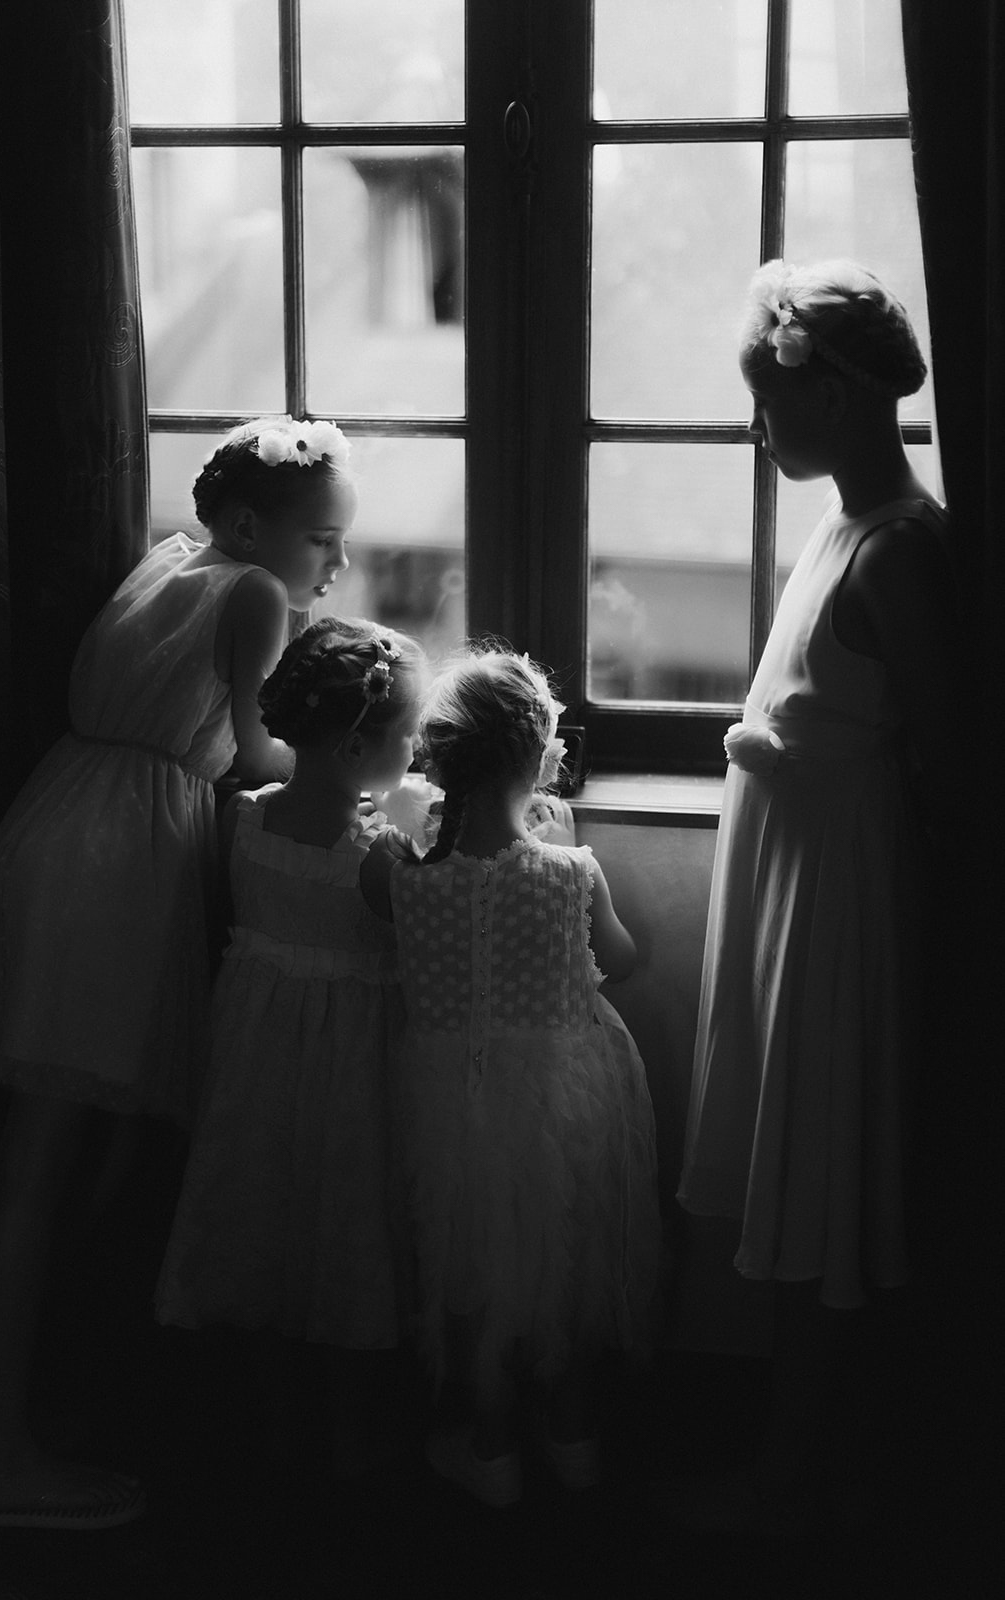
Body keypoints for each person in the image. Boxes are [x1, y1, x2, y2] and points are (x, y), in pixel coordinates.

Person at [0, 416, 356, 1528]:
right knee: (45, 1156)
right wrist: (360, 763)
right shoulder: (254, 594)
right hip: (118, 863)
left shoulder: (169, 558)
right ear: (254, 525)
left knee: (102, 1137)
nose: (335, 566)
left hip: (64, 823)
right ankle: (2, 1461)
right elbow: (263, 752)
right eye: (323, 540)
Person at [674, 260, 954, 1532]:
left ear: (831, 397)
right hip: (793, 867)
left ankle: (794, 1476)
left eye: (765, 403)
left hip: (838, 889)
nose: (755, 427)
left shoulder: (900, 549)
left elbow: (946, 749)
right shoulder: (839, 527)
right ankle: (790, 1455)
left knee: (818, 1165)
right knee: (788, 1154)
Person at [361, 648, 660, 1508]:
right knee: (556, 1263)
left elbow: (390, 917)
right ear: (540, 760)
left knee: (469, 1265)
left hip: (447, 1099)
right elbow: (627, 961)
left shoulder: (395, 877)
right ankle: (571, 1438)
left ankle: (490, 1448)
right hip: (563, 1094)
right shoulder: (571, 871)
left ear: (439, 761)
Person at [155, 617, 425, 1474]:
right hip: (351, 1064)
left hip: (254, 1054)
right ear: (357, 747)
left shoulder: (242, 818)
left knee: (262, 1210)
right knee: (346, 1219)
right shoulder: (380, 856)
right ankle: (348, 1432)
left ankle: (276, 1420)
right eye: (408, 735)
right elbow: (416, 960)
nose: (416, 749)